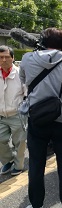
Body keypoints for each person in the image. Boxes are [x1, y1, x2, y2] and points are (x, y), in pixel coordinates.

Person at [19, 28, 62, 208]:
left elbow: (23, 81)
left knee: (36, 164)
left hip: (37, 121)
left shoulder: (27, 59)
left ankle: (36, 204)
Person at [0, 46, 26, 176]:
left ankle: (18, 165)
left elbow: (27, 94)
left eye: (7, 57)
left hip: (17, 114)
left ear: (13, 58)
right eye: (1, 57)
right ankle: (8, 160)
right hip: (1, 115)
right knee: (0, 140)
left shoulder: (20, 73)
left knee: (20, 142)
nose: (4, 60)